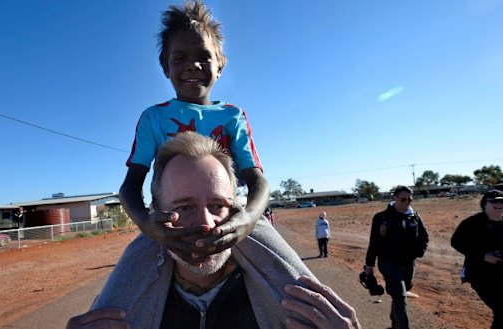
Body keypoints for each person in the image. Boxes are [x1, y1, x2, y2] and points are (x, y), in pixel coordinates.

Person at [67, 132, 360, 329]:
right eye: (184, 206)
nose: (206, 223)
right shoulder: (129, 305)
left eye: (219, 205)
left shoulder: (277, 296)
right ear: (154, 210)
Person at [119, 0, 269, 263]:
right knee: (126, 281)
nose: (193, 65)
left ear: (220, 66)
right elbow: (130, 186)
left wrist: (247, 219)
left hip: (227, 220)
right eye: (180, 58)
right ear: (165, 67)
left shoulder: (233, 116)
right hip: (171, 227)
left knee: (285, 269)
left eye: (204, 57)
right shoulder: (153, 118)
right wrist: (149, 226)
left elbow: (258, 181)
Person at [364, 185, 429, 329]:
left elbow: (424, 237)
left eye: (409, 200)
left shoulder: (414, 217)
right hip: (388, 262)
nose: (406, 203)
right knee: (400, 296)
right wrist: (369, 266)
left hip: (408, 264)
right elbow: (374, 243)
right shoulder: (381, 217)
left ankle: (395, 324)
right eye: (403, 199)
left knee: (399, 295)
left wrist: (419, 251)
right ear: (394, 198)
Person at [451, 189, 503, 329]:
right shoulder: (472, 223)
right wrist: (482, 255)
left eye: (501, 201)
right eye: (494, 202)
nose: (499, 204)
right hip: (479, 274)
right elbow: (456, 242)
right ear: (484, 204)